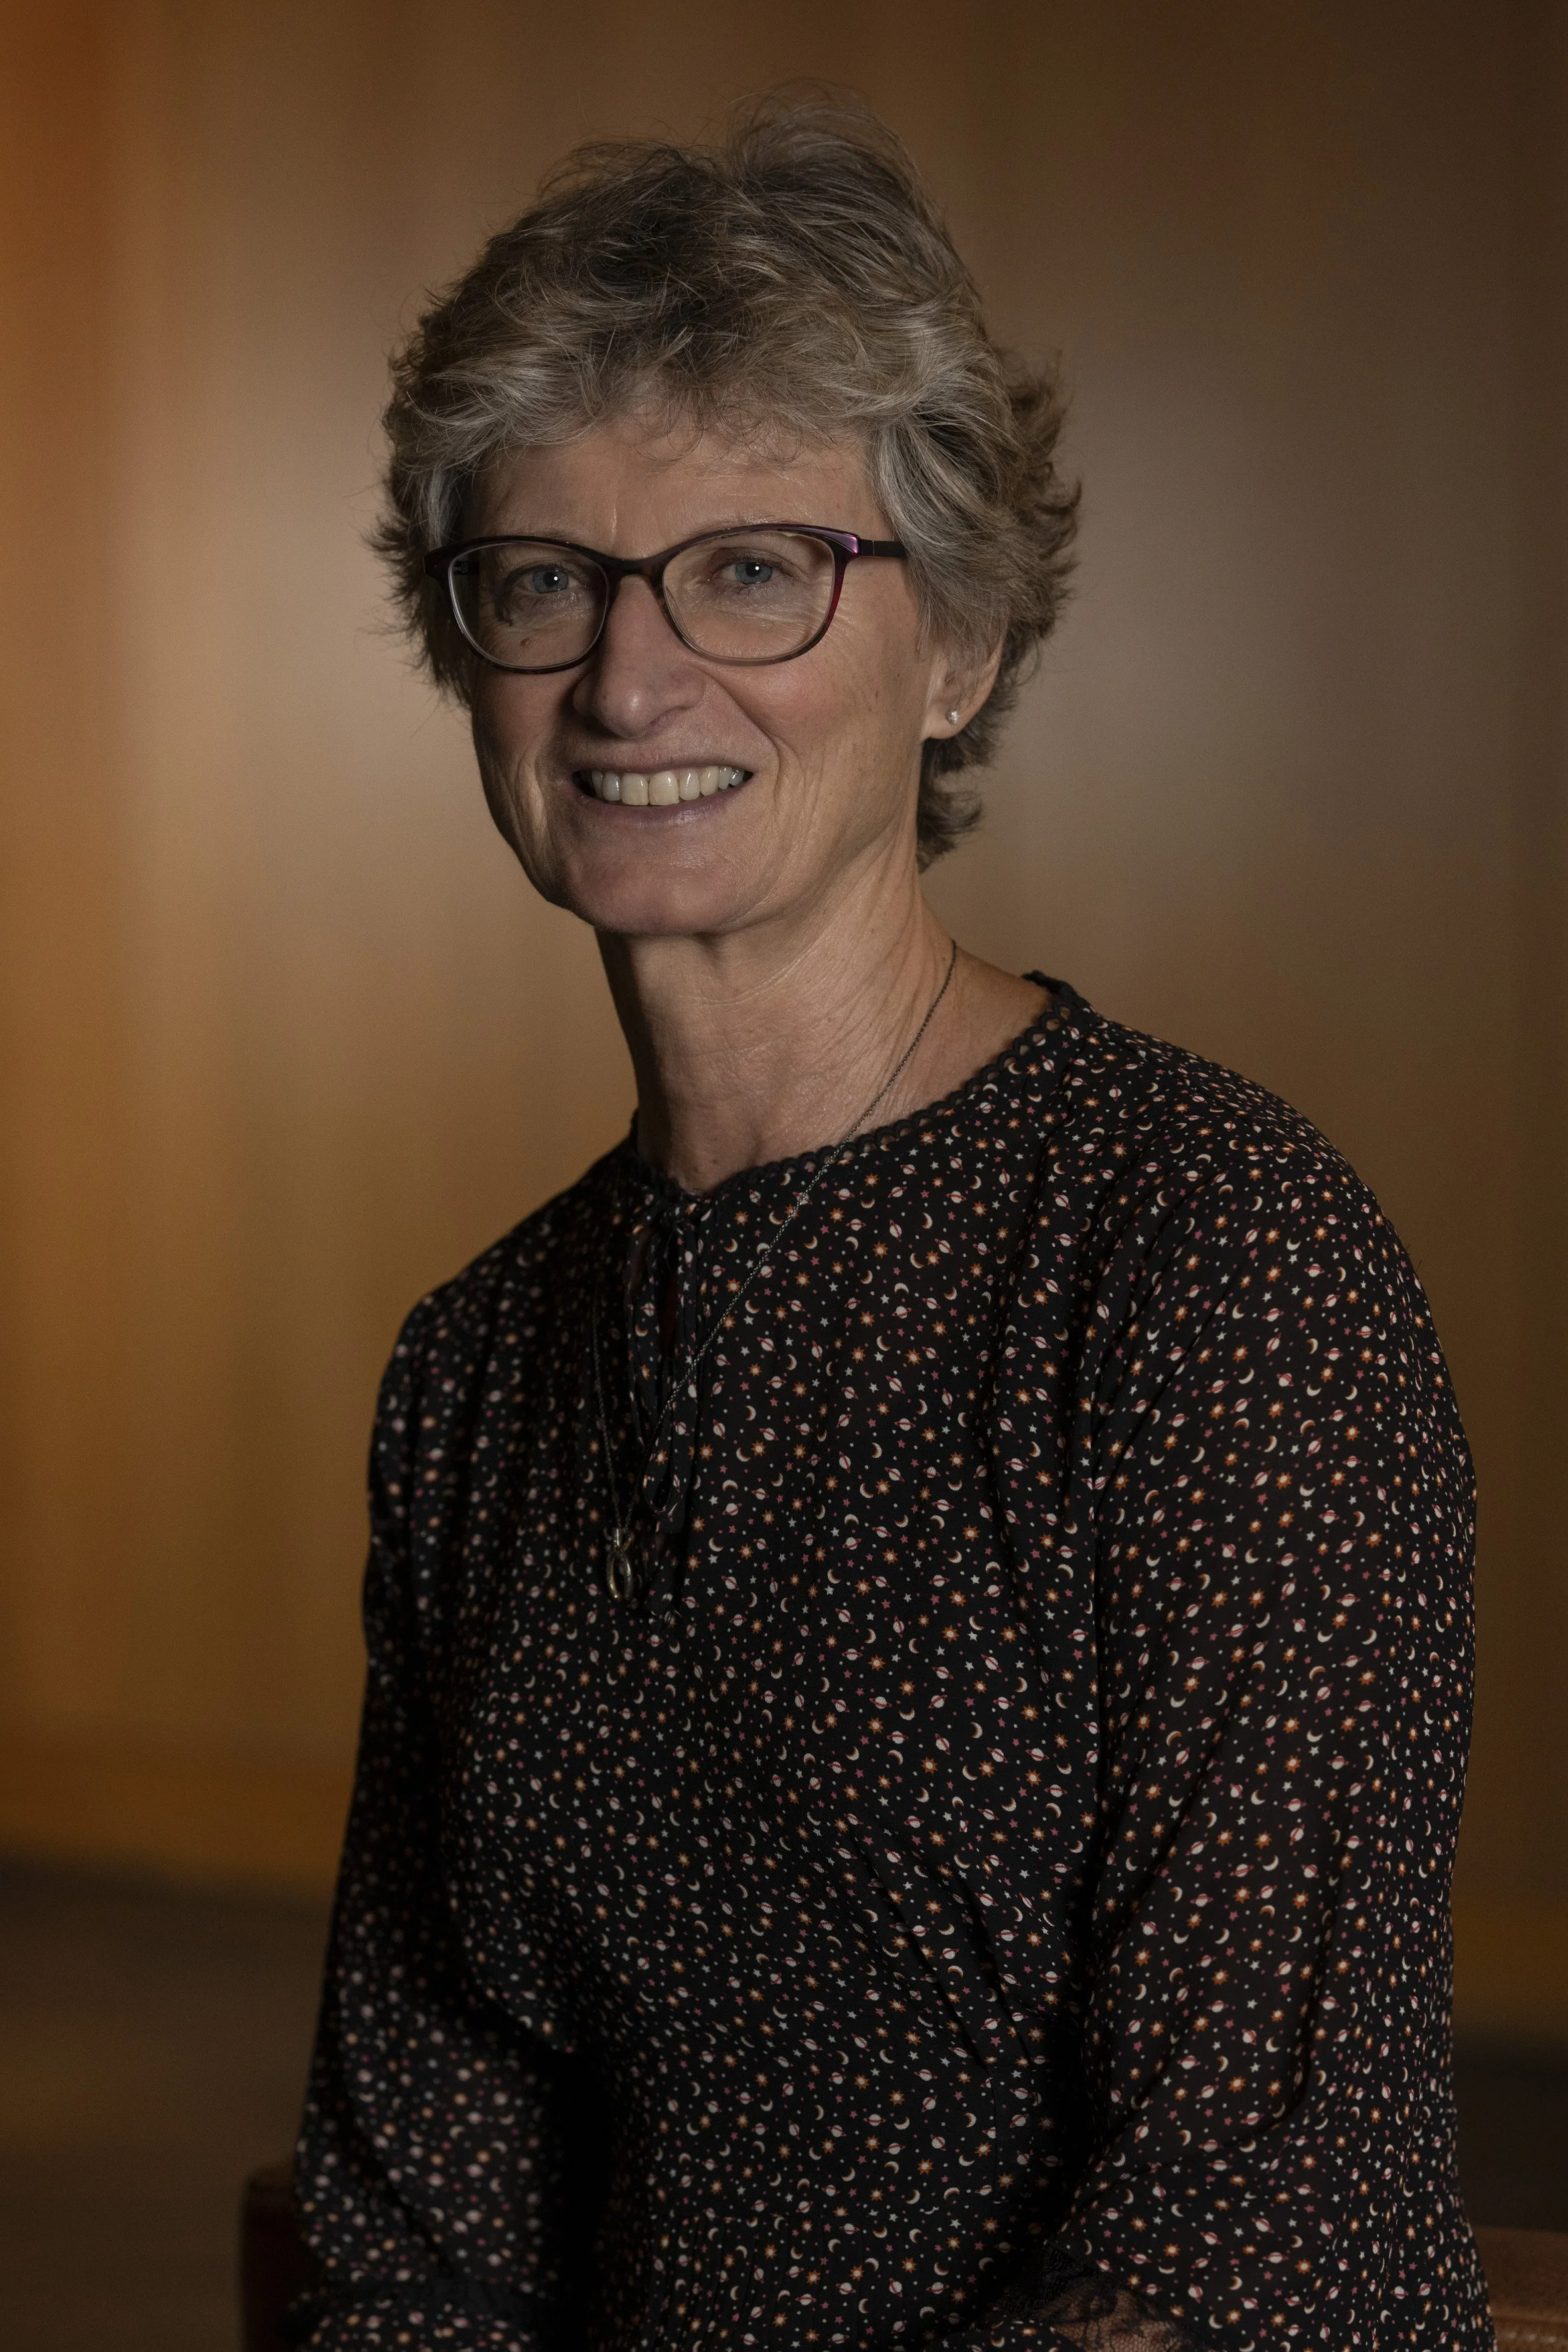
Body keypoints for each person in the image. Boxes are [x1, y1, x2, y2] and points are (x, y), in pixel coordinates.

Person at [293, 101, 1489, 2352]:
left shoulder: (1215, 1258)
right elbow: (413, 2222)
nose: (628, 680)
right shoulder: (475, 1368)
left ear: (961, 644)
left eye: (754, 569)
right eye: (543, 581)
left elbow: (1247, 2232)